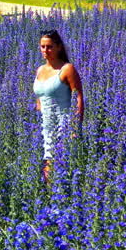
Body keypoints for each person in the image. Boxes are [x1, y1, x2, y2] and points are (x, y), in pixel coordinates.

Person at [33, 29, 84, 181]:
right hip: (44, 127)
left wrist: (75, 128)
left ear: (59, 47)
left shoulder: (67, 69)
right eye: (42, 46)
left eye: (49, 46)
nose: (45, 50)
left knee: (56, 171)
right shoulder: (40, 70)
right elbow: (40, 97)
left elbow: (79, 98)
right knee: (42, 172)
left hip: (63, 126)